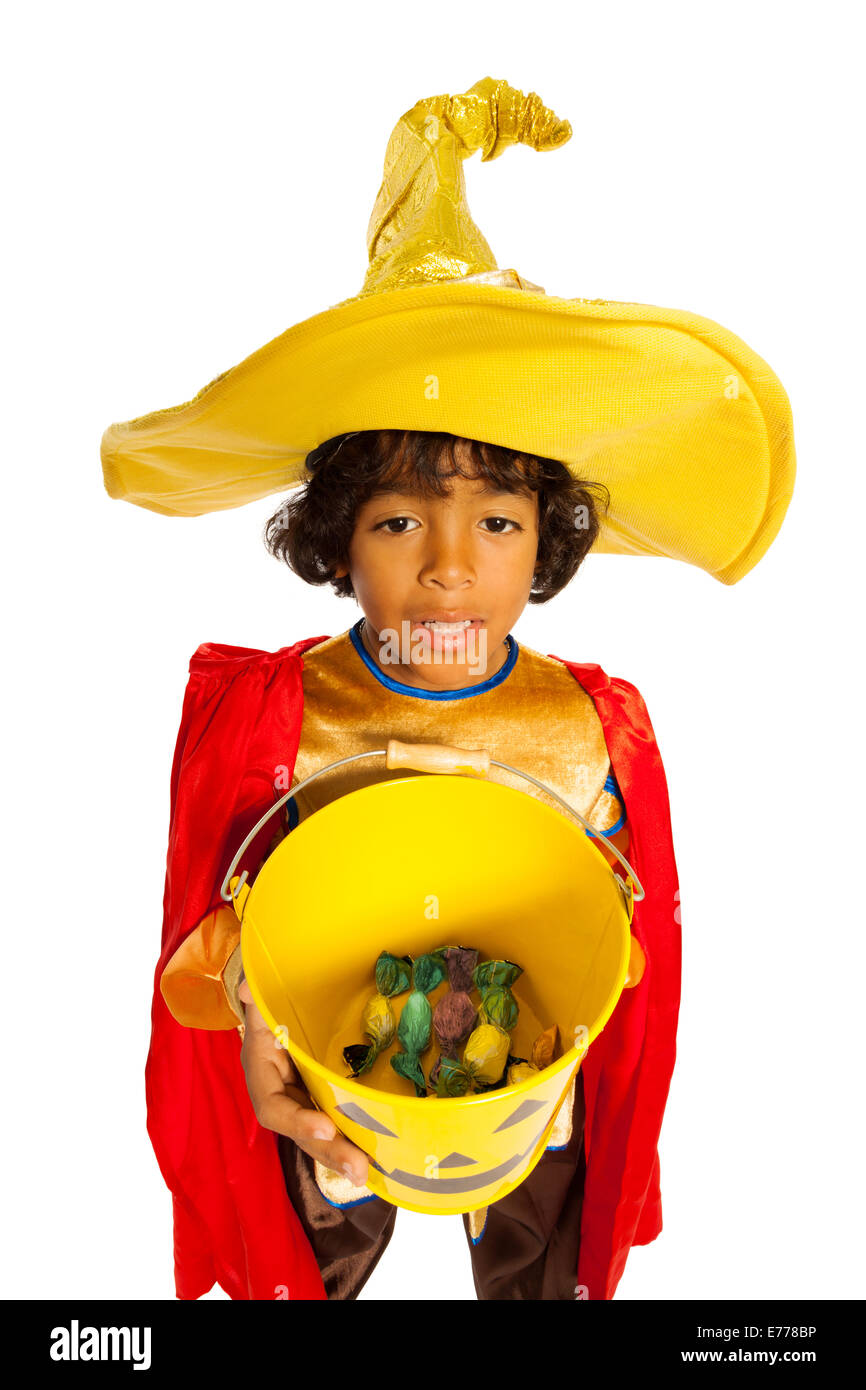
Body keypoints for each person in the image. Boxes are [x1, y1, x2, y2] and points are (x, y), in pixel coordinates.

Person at [101, 79, 795, 1300]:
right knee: (310, 1257)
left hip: (526, 1100)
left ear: (547, 541)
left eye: (497, 518)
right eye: (397, 517)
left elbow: (636, 956)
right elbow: (204, 940)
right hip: (325, 1091)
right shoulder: (266, 715)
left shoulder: (592, 728)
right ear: (335, 540)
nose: (447, 568)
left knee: (538, 1265)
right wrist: (255, 1020)